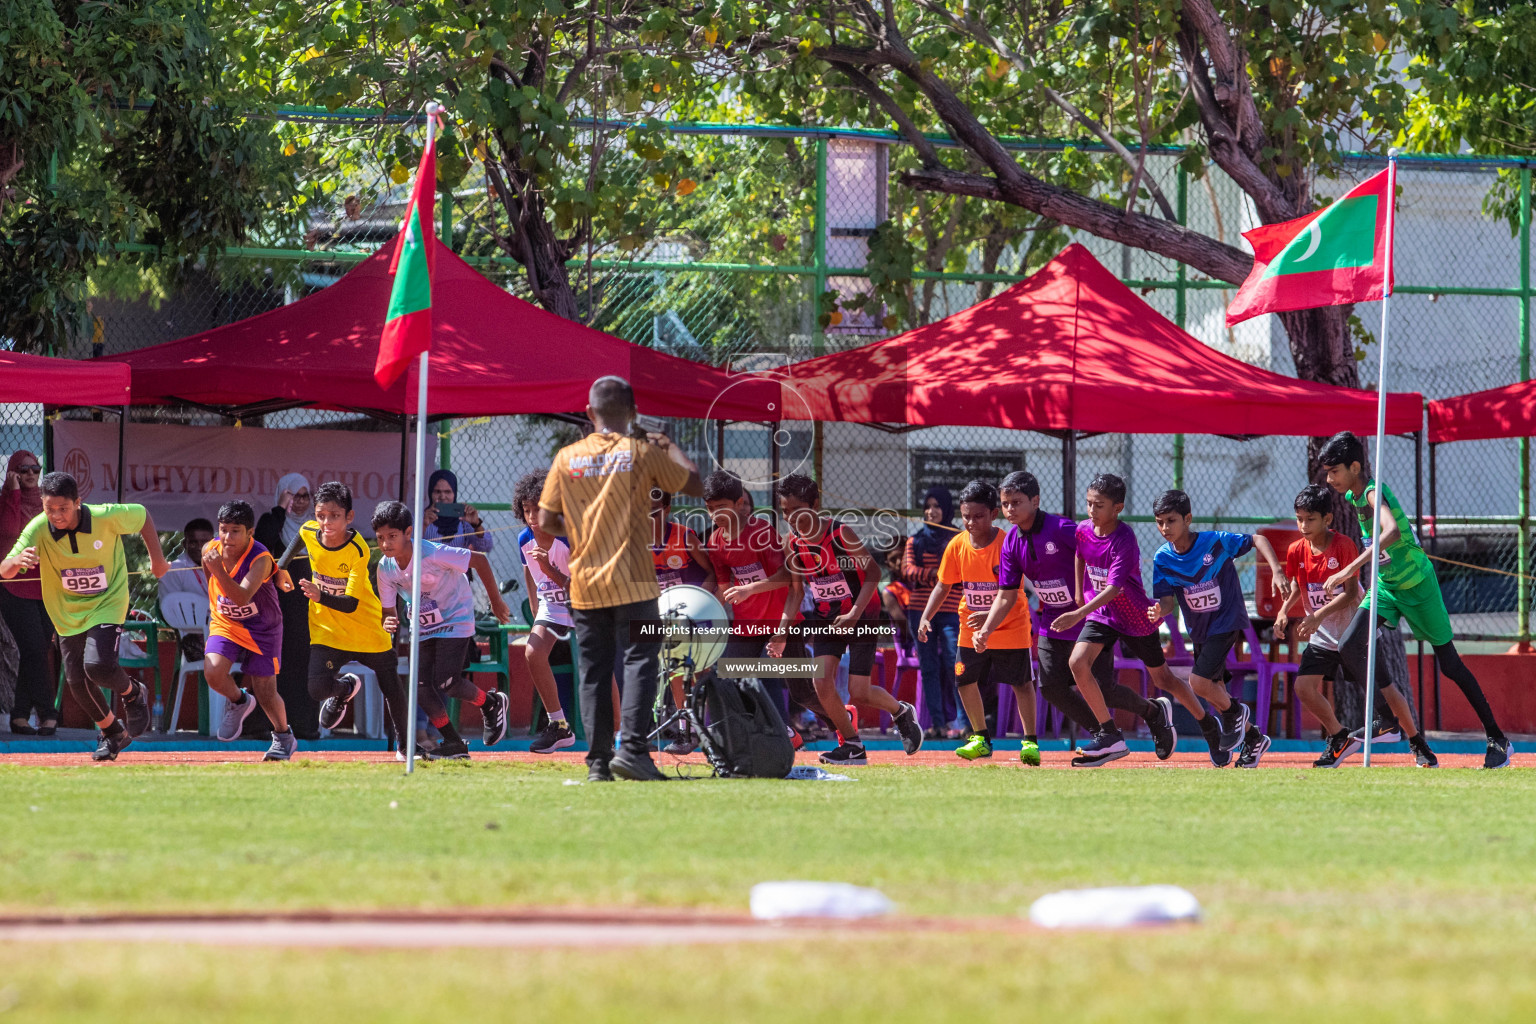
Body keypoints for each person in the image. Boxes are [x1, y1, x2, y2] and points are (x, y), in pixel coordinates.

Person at [537, 376, 703, 782]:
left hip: (586, 583)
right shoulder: (641, 452)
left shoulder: (567, 457)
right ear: (631, 414)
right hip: (635, 582)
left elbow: (544, 521)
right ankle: (632, 752)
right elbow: (696, 484)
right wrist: (667, 445)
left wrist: (581, 529)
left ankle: (597, 764)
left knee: (593, 670)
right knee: (640, 663)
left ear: (589, 413)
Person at [1317, 432, 1496, 765]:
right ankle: (1387, 719)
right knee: (1349, 646)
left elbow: (1392, 531)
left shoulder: (1371, 493)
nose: (1329, 480)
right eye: (1327, 473)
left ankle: (1497, 739)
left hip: (1416, 585)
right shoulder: (1355, 497)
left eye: (1334, 471)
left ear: (1355, 467)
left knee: (1451, 665)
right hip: (1387, 587)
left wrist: (1348, 570)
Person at [973, 472, 1177, 759]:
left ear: (1036, 501)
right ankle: (1106, 735)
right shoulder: (1010, 543)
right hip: (1052, 622)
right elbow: (1007, 594)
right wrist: (986, 630)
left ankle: (1153, 711)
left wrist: (1090, 596)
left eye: (1017, 502)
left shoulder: (1063, 529)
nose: (1010, 510)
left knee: (1104, 689)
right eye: (1005, 504)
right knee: (1051, 688)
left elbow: (1097, 546)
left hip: (1090, 618)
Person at [742, 473, 922, 766]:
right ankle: (853, 745)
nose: (790, 517)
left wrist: (854, 613)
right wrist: (782, 633)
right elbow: (796, 591)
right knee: (821, 683)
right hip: (828, 617)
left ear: (814, 505)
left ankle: (901, 711)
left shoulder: (840, 534)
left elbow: (873, 574)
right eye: (785, 511)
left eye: (796, 510)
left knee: (858, 691)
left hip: (862, 613)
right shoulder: (794, 543)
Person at [1050, 474, 1218, 767]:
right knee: (1077, 663)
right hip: (1101, 614)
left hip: (1132, 615)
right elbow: (1080, 554)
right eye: (1088, 504)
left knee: (1163, 678)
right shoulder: (1083, 530)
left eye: (1098, 505)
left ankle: (1207, 725)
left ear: (1117, 508)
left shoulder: (1124, 538)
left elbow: (1114, 589)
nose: (1091, 511)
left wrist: (1077, 613)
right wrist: (1079, 595)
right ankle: (1109, 734)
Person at [0, 472, 169, 761]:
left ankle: (133, 694)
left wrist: (157, 558)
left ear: (78, 502)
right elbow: (5, 570)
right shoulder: (39, 528)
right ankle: (113, 732)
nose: (56, 516)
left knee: (98, 666)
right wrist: (16, 561)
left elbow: (141, 516)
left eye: (63, 509)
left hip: (107, 601)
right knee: (77, 682)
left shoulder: (105, 517)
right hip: (66, 612)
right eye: (49, 509)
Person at [1148, 489, 1286, 769]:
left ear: (1188, 519)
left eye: (1171, 521)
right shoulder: (1162, 559)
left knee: (1198, 684)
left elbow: (1259, 539)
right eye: (1159, 521)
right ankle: (1254, 738)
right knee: (1216, 691)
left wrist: (1278, 571)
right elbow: (1165, 600)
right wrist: (1159, 610)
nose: (1164, 528)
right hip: (1200, 632)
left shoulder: (1216, 543)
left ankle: (1238, 711)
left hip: (1226, 622)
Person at [372, 501, 512, 760]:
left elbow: (479, 561)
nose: (386, 544)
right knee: (421, 687)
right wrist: (388, 622)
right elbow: (388, 612)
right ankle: (453, 743)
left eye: (392, 536)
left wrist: (496, 602)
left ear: (408, 532)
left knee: (448, 682)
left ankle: (491, 703)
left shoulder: (433, 553)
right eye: (380, 538)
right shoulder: (385, 568)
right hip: (423, 625)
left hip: (455, 618)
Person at [918, 480, 1040, 764]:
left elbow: (1009, 593)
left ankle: (1030, 741)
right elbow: (943, 585)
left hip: (1010, 626)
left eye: (978, 516)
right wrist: (926, 616)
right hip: (970, 629)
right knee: (963, 679)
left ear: (993, 514)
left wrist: (990, 618)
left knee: (1021, 683)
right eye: (966, 516)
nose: (971, 522)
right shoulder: (957, 545)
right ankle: (981, 737)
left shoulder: (1009, 542)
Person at [283, 480, 410, 752]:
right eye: (321, 515)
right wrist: (282, 566)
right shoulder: (309, 530)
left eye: (335, 516)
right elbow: (299, 540)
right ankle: (344, 689)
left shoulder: (358, 549)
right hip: (326, 629)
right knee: (317, 689)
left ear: (349, 517)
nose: (326, 522)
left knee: (390, 682)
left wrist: (320, 596)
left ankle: (406, 746)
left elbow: (351, 603)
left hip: (364, 626)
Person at [1273, 484, 1390, 768]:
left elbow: (1350, 594)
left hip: (1354, 632)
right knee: (1303, 688)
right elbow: (1297, 585)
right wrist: (1284, 611)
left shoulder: (1343, 546)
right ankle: (1338, 736)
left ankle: (1408, 736)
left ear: (1327, 519)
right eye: (1299, 518)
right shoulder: (1296, 550)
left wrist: (1316, 616)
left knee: (1379, 690)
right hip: (1324, 635)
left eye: (1310, 519)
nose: (1303, 525)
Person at [707, 470, 827, 741]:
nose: (716, 514)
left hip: (782, 621)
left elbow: (787, 577)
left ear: (740, 504)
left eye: (722, 507)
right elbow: (725, 589)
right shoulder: (715, 543)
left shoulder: (761, 532)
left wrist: (749, 589)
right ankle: (750, 739)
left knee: (801, 692)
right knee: (727, 675)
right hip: (746, 625)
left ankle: (839, 718)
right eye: (711, 509)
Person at [201, 500, 296, 761]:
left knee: (265, 690)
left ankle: (283, 736)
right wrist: (217, 577)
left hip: (262, 626)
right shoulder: (210, 550)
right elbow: (211, 582)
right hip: (226, 622)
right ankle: (239, 701)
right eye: (223, 530)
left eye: (235, 531)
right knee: (213, 671)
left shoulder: (260, 559)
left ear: (250, 532)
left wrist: (219, 570)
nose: (227, 537)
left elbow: (242, 597)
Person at [514, 472, 578, 754]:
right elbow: (529, 573)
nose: (531, 515)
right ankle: (559, 725)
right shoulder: (524, 539)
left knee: (599, 668)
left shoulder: (569, 538)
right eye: (526, 510)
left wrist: (551, 569)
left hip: (582, 603)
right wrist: (534, 604)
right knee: (533, 652)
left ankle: (618, 735)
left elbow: (579, 587)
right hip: (550, 605)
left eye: (538, 508)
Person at [254, 473, 319, 739]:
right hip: (276, 608)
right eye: (294, 495)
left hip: (307, 607)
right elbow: (261, 544)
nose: (301, 502)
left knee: (304, 663)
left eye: (305, 496)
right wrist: (281, 510)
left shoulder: (316, 527)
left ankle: (304, 726)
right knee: (274, 666)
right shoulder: (273, 522)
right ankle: (270, 726)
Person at [0, 451, 56, 734]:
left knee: (36, 650)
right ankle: (48, 712)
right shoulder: (6, 501)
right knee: (33, 648)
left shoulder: (46, 504)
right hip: (14, 587)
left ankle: (20, 715)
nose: (31, 474)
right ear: (12, 472)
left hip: (45, 588)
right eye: (23, 470)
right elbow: (10, 534)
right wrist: (12, 495)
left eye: (36, 469)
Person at [904, 485, 964, 738]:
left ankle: (962, 724)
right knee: (928, 667)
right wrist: (939, 577)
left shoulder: (959, 540)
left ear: (947, 509)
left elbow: (962, 573)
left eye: (937, 506)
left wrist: (938, 579)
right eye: (927, 506)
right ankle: (937, 724)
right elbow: (908, 571)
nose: (931, 511)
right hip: (920, 611)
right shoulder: (915, 540)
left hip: (952, 610)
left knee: (955, 664)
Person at [650, 490, 714, 592]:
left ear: (667, 510)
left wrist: (699, 598)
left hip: (693, 601)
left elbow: (712, 572)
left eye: (653, 513)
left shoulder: (685, 537)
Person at [421, 469, 493, 553]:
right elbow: (408, 547)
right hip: (427, 566)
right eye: (437, 492)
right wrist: (423, 525)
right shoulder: (420, 518)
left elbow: (486, 547)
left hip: (456, 566)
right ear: (430, 493)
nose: (442, 497)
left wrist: (476, 525)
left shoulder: (463, 520)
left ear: (454, 493)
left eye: (447, 492)